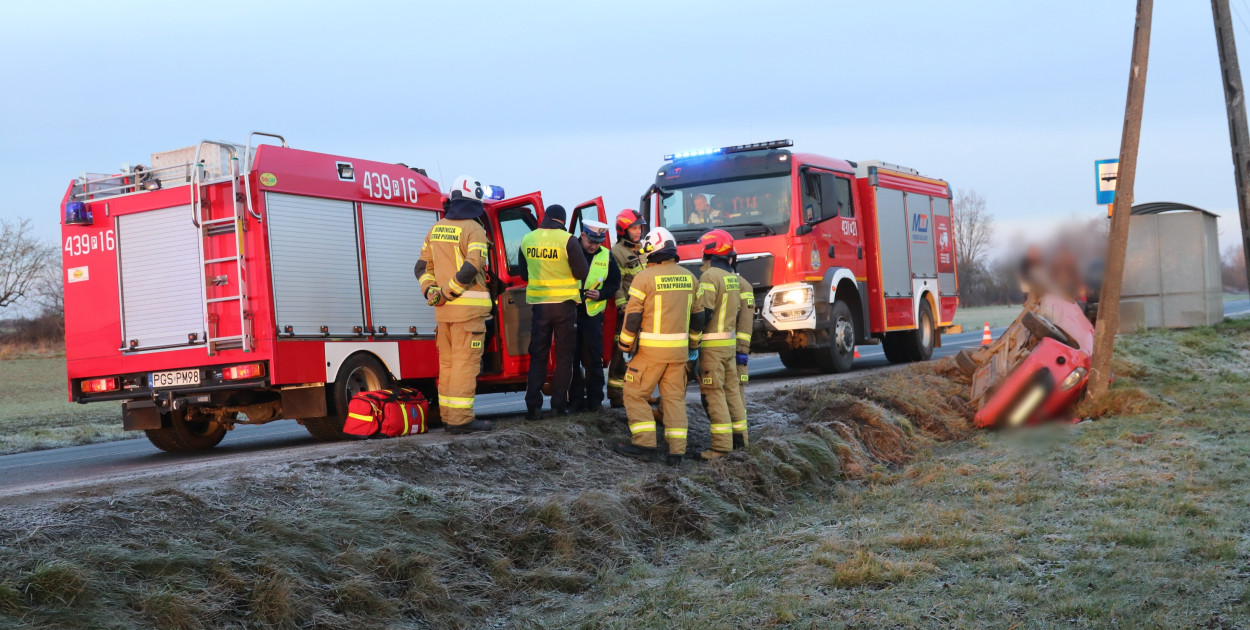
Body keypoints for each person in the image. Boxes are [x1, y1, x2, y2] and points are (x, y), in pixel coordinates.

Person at [613, 227, 706, 466]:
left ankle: (645, 444)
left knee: (634, 394)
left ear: (652, 250)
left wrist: (624, 347)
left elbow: (632, 318)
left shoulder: (644, 278)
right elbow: (698, 317)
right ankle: (677, 452)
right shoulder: (690, 277)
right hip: (679, 353)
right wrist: (693, 346)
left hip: (650, 353)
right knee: (674, 400)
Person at [414, 175, 496, 434]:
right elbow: (473, 266)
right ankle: (461, 421)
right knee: (465, 364)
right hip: (467, 314)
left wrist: (431, 292)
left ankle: (450, 417)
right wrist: (449, 292)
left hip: (443, 314)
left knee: (448, 365)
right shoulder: (474, 228)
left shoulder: (436, 228)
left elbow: (420, 267)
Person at [519, 204, 589, 420]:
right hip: (564, 306)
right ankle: (558, 405)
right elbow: (582, 271)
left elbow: (523, 274)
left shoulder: (527, 239)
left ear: (545, 218)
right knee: (564, 357)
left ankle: (533, 407)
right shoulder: (567, 239)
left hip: (540, 306)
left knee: (538, 355)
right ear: (563, 220)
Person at [694, 230, 749, 459]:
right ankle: (741, 441)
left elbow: (704, 313)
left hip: (711, 347)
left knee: (714, 394)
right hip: (728, 345)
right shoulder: (732, 277)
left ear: (709, 249)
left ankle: (720, 447)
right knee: (732, 393)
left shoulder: (709, 277)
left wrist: (692, 339)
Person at [568, 219, 620, 412]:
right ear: (582, 236)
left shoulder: (607, 256)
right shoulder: (570, 251)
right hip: (571, 312)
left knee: (593, 361)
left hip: (592, 315)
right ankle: (575, 402)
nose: (594, 246)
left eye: (598, 242)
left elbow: (614, 283)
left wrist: (601, 294)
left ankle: (595, 403)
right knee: (572, 360)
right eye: (591, 241)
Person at [607, 209, 647, 408]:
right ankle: (616, 395)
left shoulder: (643, 250)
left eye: (639, 227)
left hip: (646, 310)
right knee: (620, 352)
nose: (638, 231)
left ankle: (637, 392)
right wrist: (622, 306)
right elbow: (617, 282)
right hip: (628, 311)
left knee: (642, 354)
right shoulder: (617, 253)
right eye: (633, 228)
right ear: (623, 230)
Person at [732, 271, 755, 450]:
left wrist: (742, 350)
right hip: (727, 349)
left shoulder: (742, 284)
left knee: (736, 393)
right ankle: (737, 441)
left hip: (733, 351)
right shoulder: (740, 283)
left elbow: (745, 322)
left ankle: (740, 442)